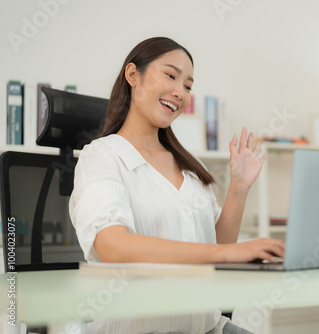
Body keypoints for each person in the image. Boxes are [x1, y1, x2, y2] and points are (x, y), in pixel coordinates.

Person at [69, 37, 285, 333]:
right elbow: (112, 247)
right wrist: (227, 254)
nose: (179, 92)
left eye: (188, 86)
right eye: (170, 75)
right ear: (133, 75)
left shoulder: (190, 166)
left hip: (208, 326)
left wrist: (239, 187)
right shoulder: (102, 157)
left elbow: (218, 247)